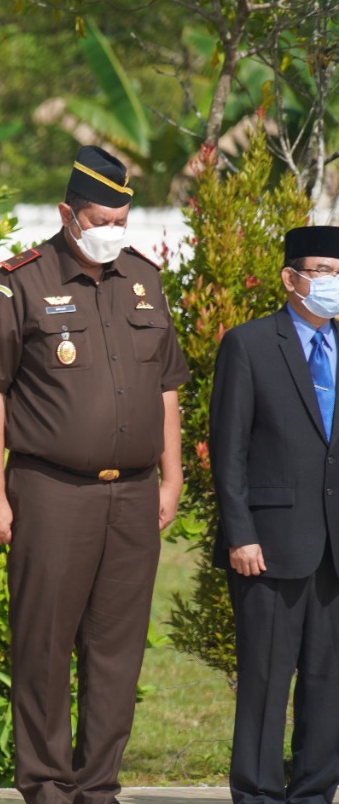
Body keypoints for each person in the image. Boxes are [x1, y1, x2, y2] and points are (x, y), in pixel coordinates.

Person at [0, 146, 189, 804]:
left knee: (117, 650)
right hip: (52, 491)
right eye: (99, 216)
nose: (111, 229)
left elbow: (167, 386)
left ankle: (97, 786)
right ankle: (47, 784)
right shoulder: (20, 282)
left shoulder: (144, 278)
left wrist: (171, 478)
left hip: (134, 493)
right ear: (67, 213)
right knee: (44, 644)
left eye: (122, 216)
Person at [210, 225, 339, 804]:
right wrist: (240, 532)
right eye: (320, 271)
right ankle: (258, 794)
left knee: (328, 683)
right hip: (268, 544)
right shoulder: (251, 344)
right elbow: (229, 447)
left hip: (335, 549)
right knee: (265, 683)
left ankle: (315, 790)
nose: (330, 283)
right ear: (291, 278)